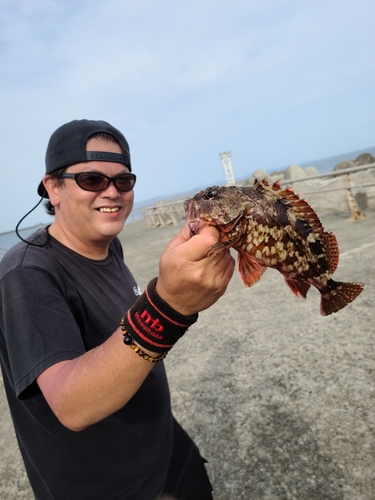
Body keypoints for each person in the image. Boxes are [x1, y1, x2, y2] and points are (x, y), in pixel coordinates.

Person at [0, 119, 235, 500]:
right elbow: (72, 405)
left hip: (167, 453)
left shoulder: (109, 247)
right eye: (92, 180)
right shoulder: (26, 275)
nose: (112, 192)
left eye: (123, 181)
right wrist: (169, 305)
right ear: (53, 188)